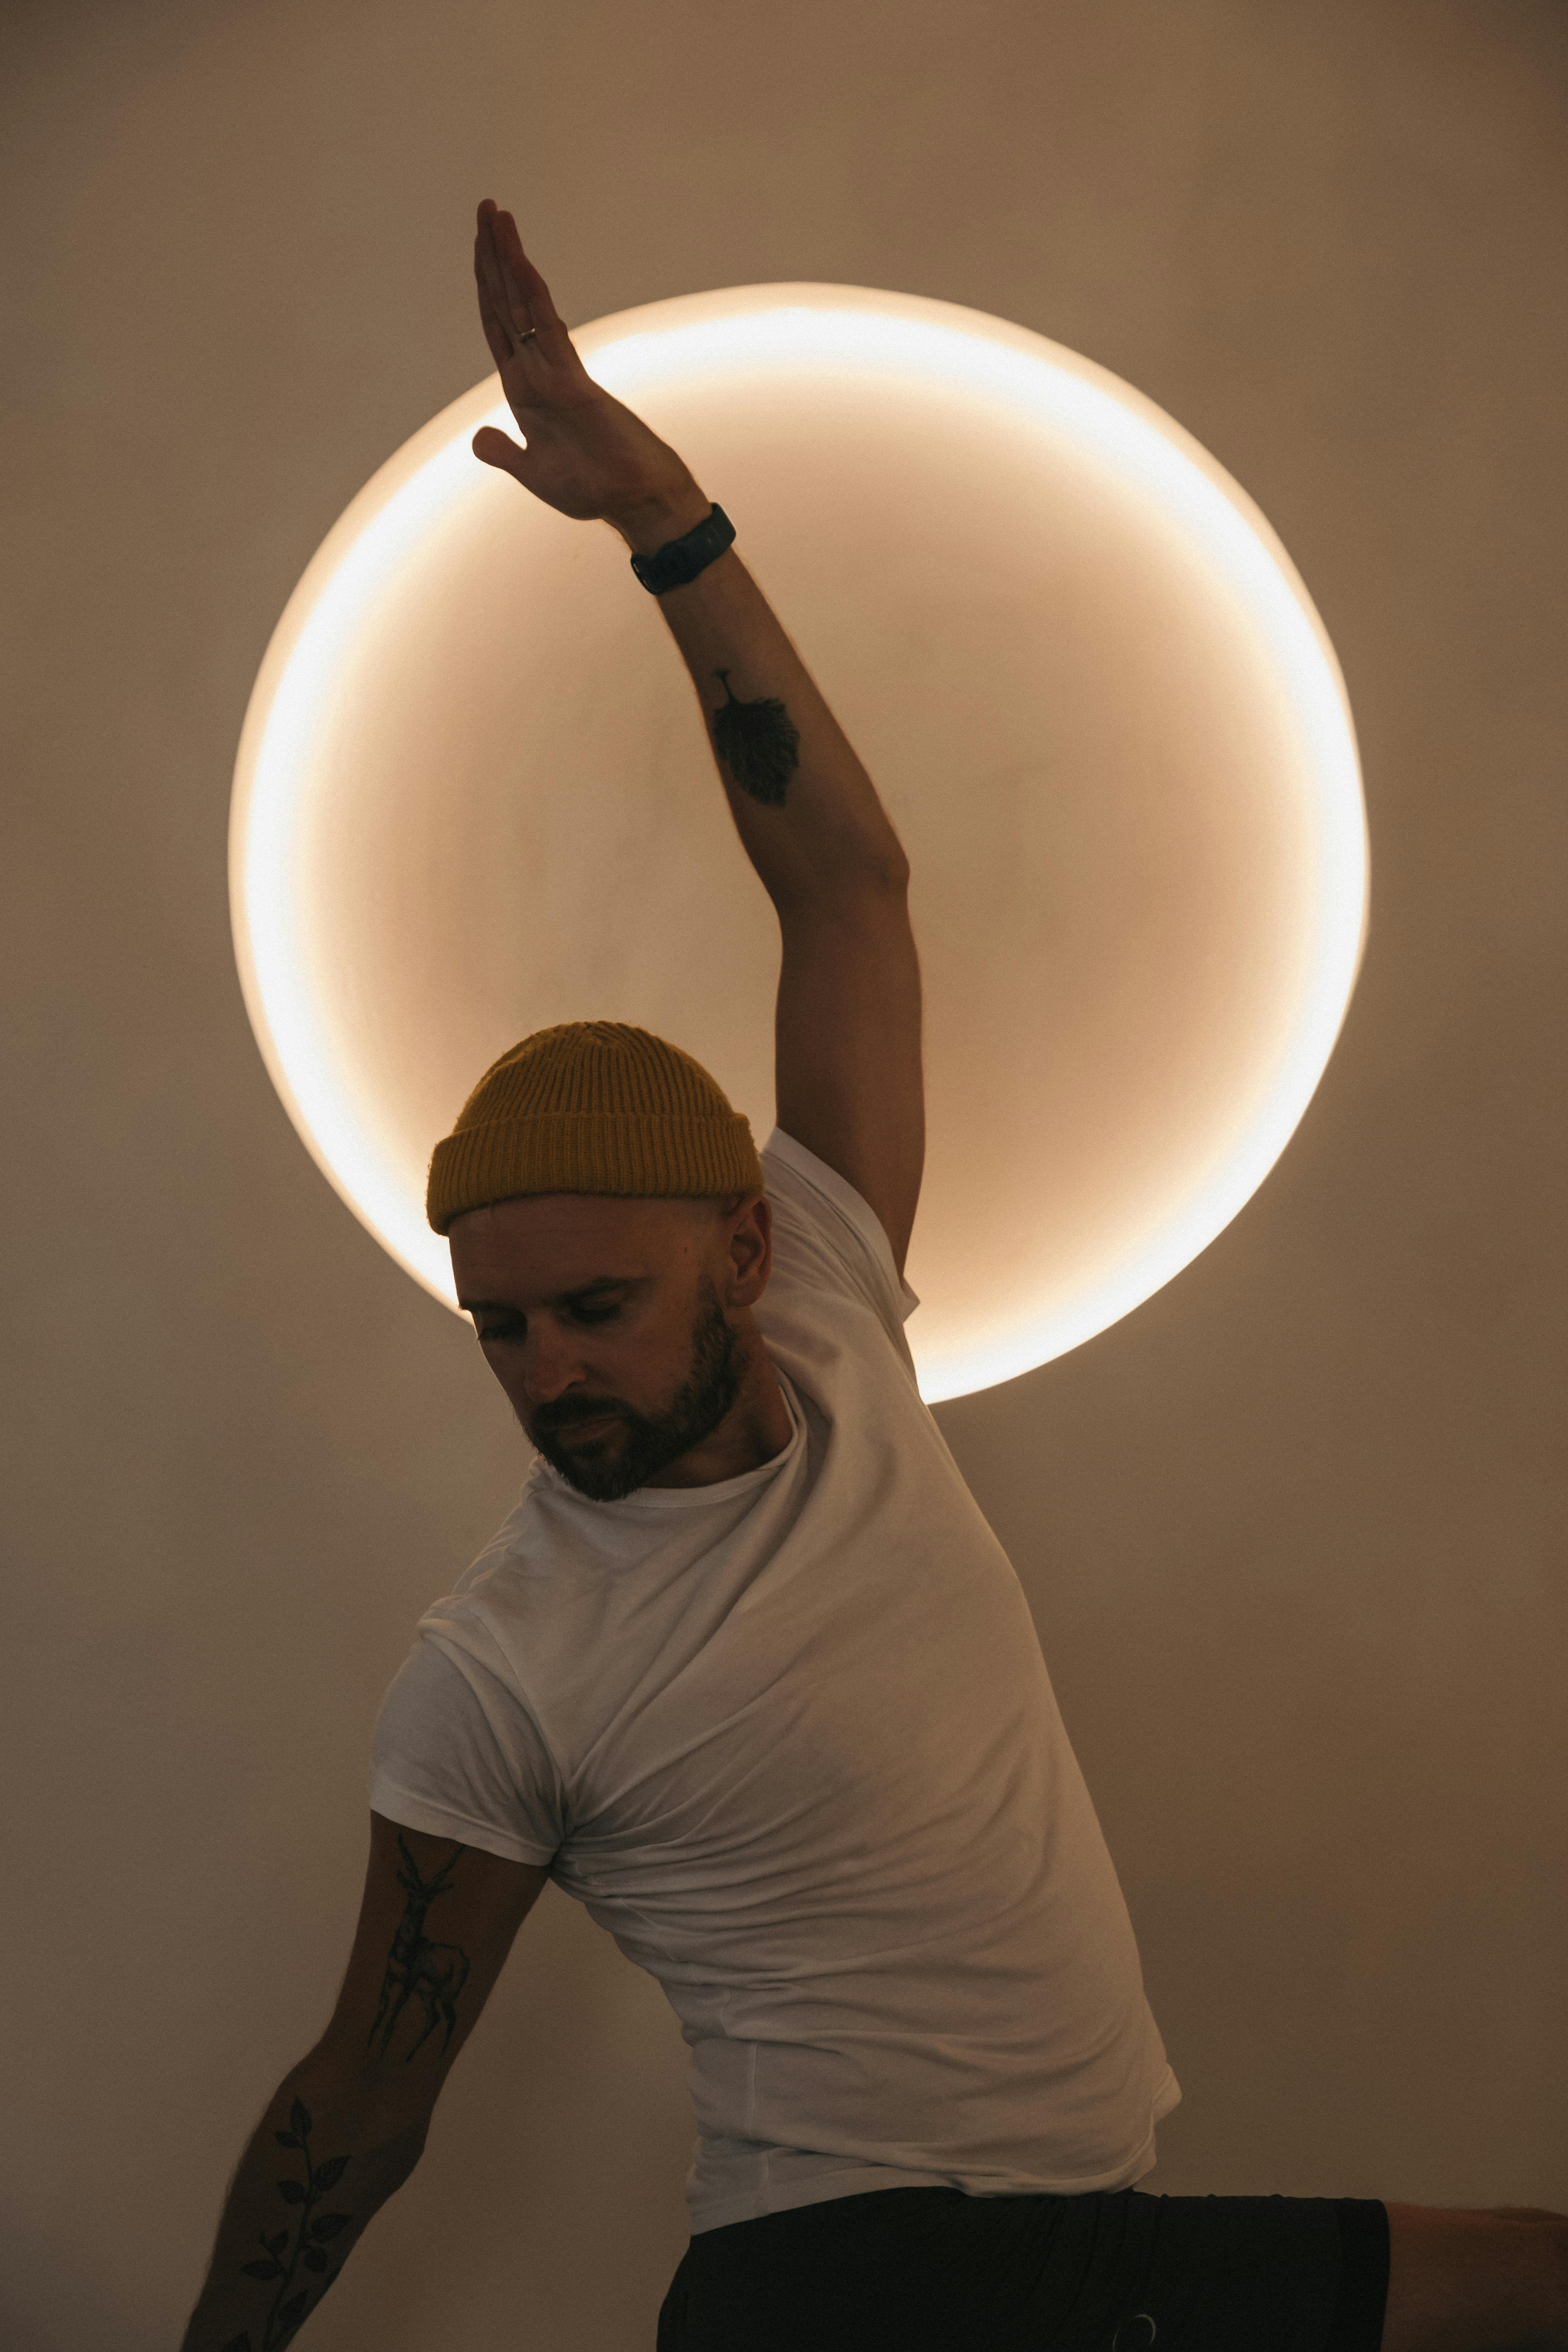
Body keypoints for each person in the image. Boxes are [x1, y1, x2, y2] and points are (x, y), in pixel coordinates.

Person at [180, 199, 1567, 2352]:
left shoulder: (829, 1295)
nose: (545, 1373)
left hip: (1054, 2244)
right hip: (859, 2283)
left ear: (744, 1245)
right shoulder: (508, 1670)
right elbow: (359, 2104)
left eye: (593, 1309)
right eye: (503, 1328)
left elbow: (847, 886)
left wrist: (663, 516)